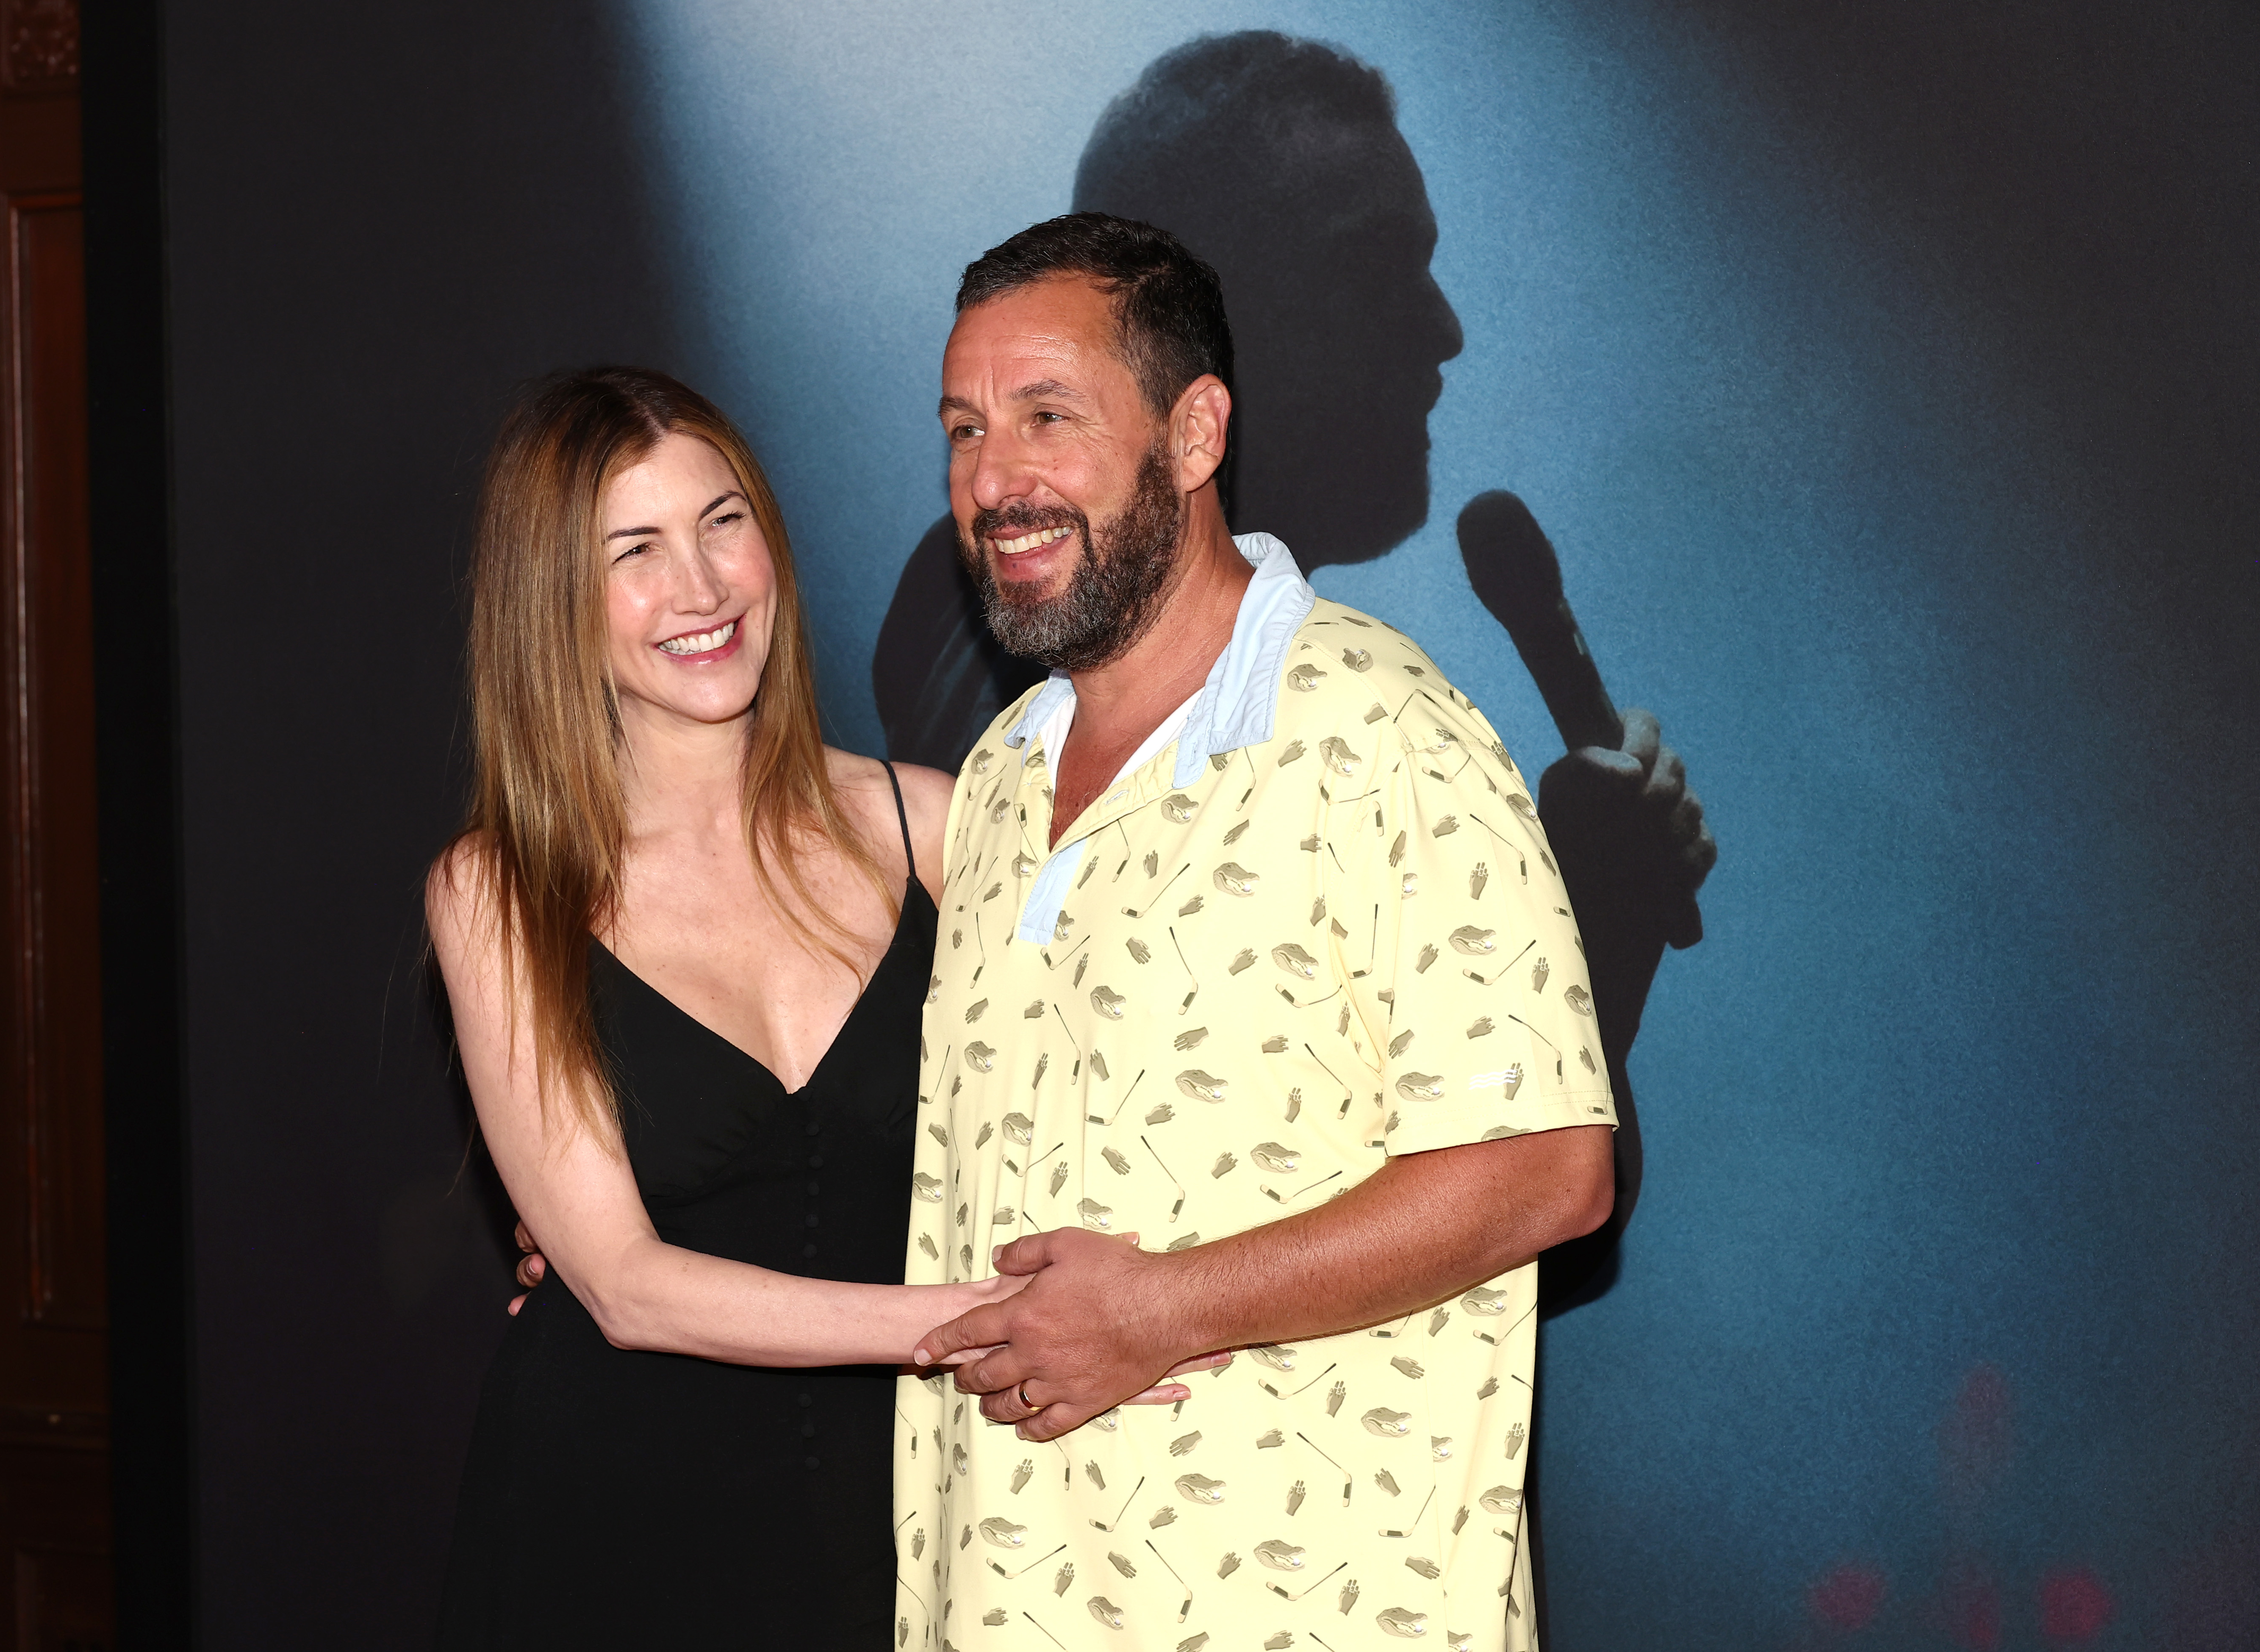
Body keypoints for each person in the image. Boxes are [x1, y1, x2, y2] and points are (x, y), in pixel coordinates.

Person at [871, 33, 1713, 1319]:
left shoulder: (1329, 701)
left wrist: (1588, 928)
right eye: (1376, 271)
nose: (1443, 331)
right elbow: (1141, 1163)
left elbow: (1540, 1234)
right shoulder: (1006, 606)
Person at [892, 214, 1613, 1651]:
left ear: (1195, 429)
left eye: (1049, 417)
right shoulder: (995, 777)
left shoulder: (1373, 725)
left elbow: (1548, 1165)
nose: (994, 479)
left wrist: (1165, 1305)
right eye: (965, 429)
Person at [427, 366, 1217, 1649]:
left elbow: (1151, 1069)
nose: (701, 585)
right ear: (552, 602)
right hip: (610, 1523)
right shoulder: (497, 891)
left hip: (888, 1513)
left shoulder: (934, 824)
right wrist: (981, 1324)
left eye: (723, 521)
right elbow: (626, 1287)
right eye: (636, 550)